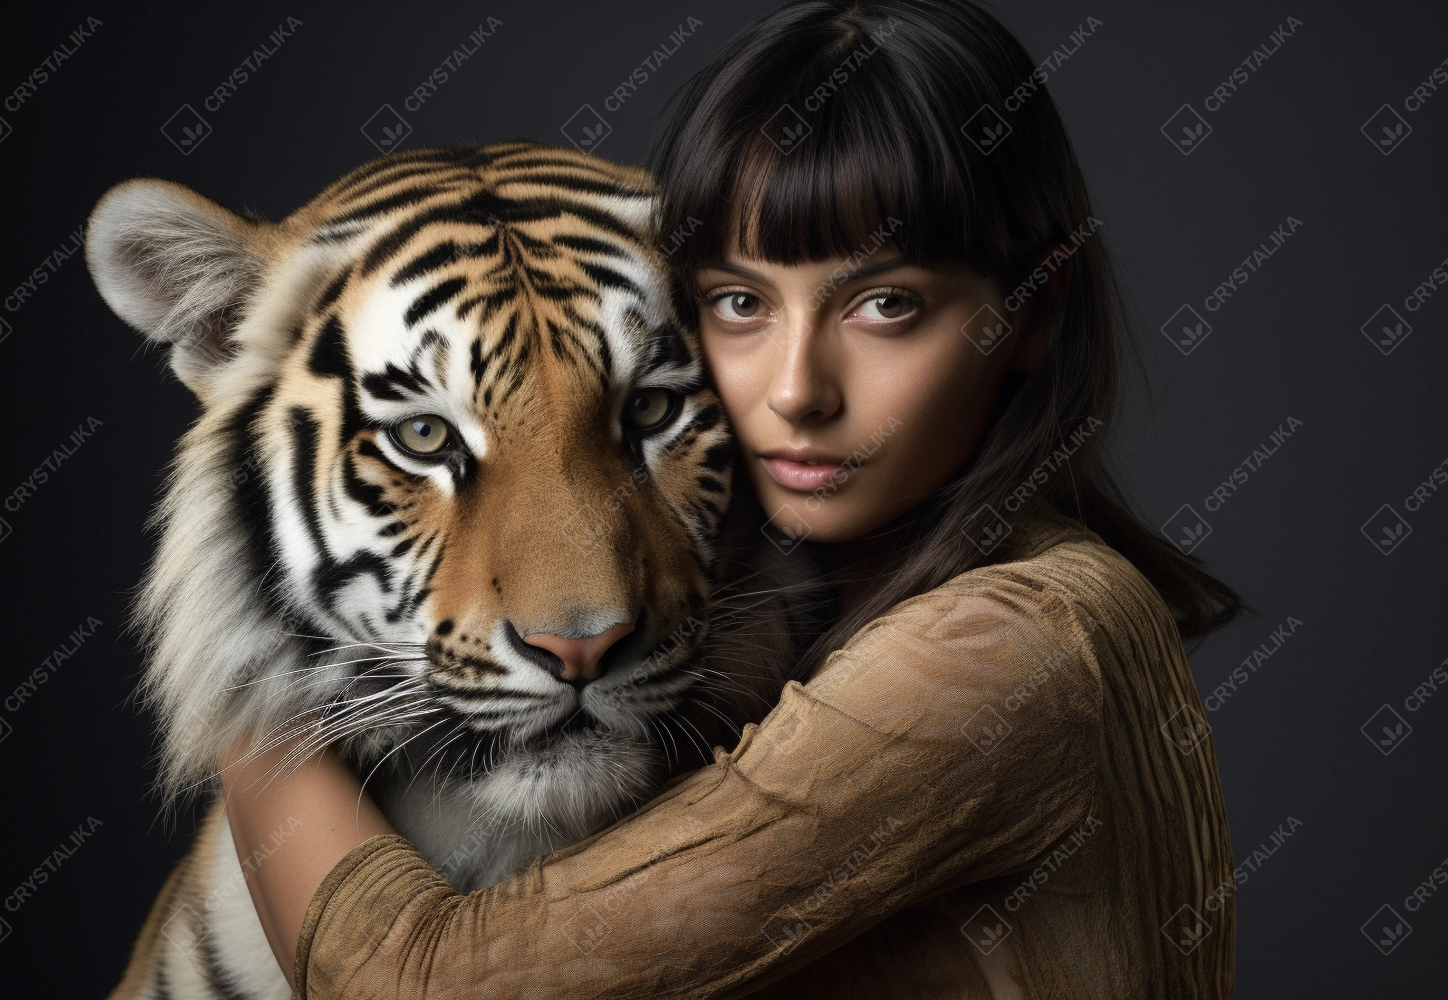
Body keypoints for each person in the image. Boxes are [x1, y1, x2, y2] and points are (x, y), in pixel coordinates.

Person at [219, 1, 1243, 996]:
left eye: (886, 304)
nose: (797, 389)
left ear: (1031, 313)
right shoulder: (872, 602)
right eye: (739, 302)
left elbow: (423, 984)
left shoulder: (997, 652)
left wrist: (246, 699)